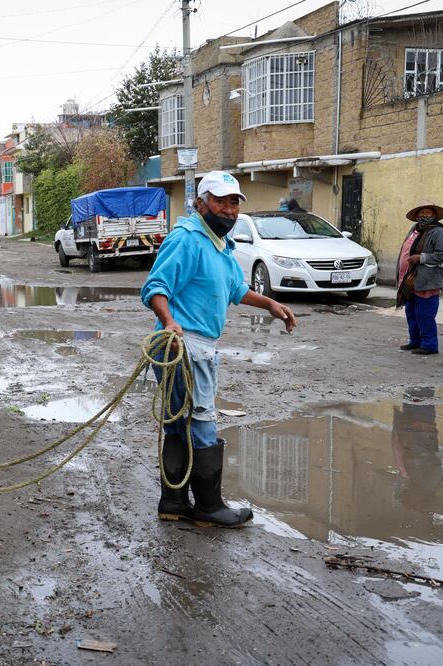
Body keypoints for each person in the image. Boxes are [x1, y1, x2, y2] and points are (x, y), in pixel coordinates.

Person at [141, 171, 297, 528]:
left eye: (233, 203)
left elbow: (235, 290)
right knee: (200, 423)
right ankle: (209, 506)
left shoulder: (219, 245)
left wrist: (270, 304)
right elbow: (156, 287)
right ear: (201, 202)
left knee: (179, 424)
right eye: (221, 201)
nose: (229, 210)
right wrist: (169, 321)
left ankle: (174, 502)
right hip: (184, 345)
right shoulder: (187, 239)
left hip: (199, 346)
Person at [396, 200, 443, 355]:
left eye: (428, 212)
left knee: (424, 314)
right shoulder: (415, 229)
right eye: (421, 213)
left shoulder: (438, 232)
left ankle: (429, 345)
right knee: (412, 313)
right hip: (410, 280)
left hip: (426, 280)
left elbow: (442, 255)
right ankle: (415, 341)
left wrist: (421, 258)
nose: (424, 215)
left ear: (434, 215)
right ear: (416, 216)